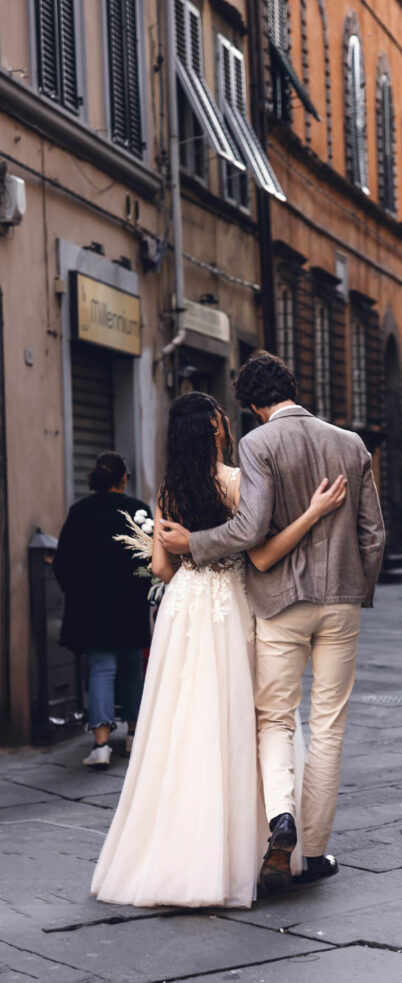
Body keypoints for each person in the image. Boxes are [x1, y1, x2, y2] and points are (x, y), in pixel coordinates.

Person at [91, 391, 346, 909]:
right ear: (214, 428)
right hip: (232, 607)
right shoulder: (236, 482)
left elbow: (162, 569)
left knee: (181, 725)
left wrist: (186, 558)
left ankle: (178, 855)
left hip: (184, 611)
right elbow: (261, 554)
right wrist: (314, 513)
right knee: (249, 719)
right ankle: (258, 843)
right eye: (222, 419)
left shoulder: (166, 490)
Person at [160, 353, 385, 895]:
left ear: (255, 406)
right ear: (292, 387)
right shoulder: (351, 444)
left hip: (281, 603)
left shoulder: (259, 444)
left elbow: (251, 528)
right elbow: (373, 535)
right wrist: (356, 586)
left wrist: (196, 544)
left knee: (276, 720)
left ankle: (279, 821)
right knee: (329, 724)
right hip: (341, 602)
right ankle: (311, 849)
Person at [54, 452, 151, 770]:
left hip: (92, 608)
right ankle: (134, 736)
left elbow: (63, 562)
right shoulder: (138, 511)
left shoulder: (80, 512)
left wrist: (78, 594)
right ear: (124, 478)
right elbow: (149, 561)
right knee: (132, 670)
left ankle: (100, 745)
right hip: (131, 605)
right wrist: (143, 591)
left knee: (101, 670)